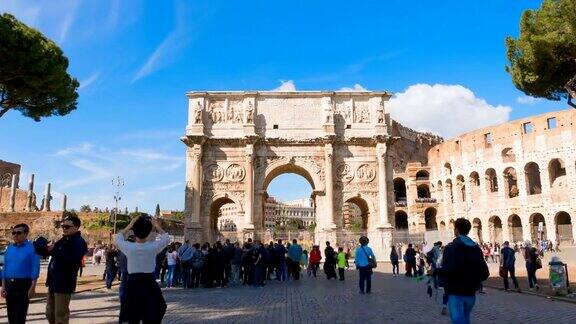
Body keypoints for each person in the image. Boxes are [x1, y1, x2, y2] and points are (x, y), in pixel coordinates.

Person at [115, 216, 170, 323]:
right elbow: (166, 239)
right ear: (149, 232)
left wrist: (130, 225)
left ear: (134, 232)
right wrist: (157, 226)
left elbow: (118, 237)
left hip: (132, 283)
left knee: (132, 315)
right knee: (155, 310)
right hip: (149, 283)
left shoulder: (129, 247)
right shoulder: (153, 247)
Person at [441, 218, 489, 324]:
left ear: (456, 230)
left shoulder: (450, 248)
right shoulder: (476, 249)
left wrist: (436, 274)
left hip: (455, 292)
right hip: (470, 292)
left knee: (458, 321)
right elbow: (485, 273)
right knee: (466, 319)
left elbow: (447, 270)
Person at [45, 215, 88, 324]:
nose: (64, 228)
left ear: (76, 227)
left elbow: (71, 258)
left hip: (64, 282)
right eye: (63, 226)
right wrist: (45, 248)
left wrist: (54, 250)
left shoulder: (79, 242)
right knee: (49, 312)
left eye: (67, 226)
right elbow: (52, 251)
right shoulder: (63, 239)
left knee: (60, 314)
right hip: (53, 282)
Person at [1, 223, 40, 324]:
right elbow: (5, 268)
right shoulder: (10, 248)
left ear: (26, 234)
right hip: (9, 284)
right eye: (13, 233)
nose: (15, 235)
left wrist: (33, 287)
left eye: (18, 233)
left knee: (20, 315)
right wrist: (3, 286)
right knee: (11, 314)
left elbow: (35, 269)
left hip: (23, 284)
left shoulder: (32, 248)